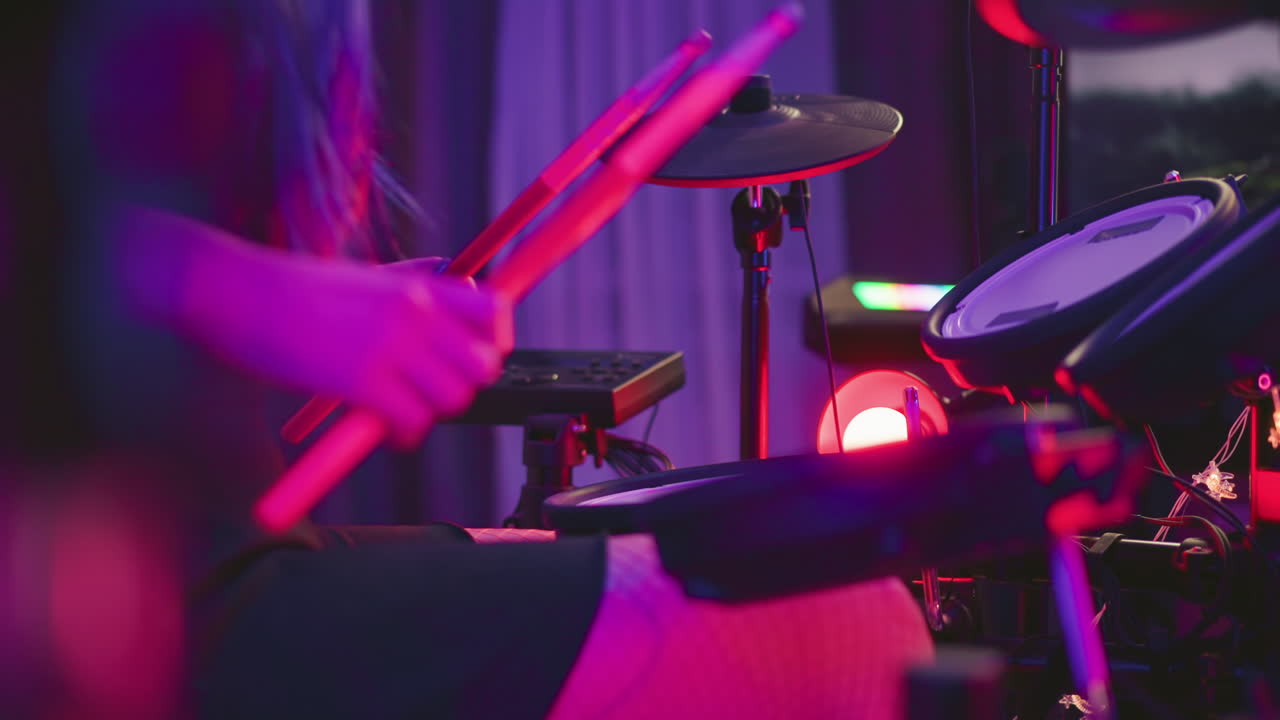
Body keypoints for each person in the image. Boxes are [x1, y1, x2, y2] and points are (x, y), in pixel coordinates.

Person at [46, 1, 934, 717]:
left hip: (229, 549)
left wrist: (320, 313)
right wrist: (258, 296)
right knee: (846, 627)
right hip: (125, 606)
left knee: (841, 601)